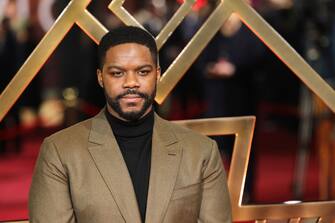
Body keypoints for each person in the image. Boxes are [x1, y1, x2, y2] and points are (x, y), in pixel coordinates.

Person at [29, 26, 232, 223]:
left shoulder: (202, 151)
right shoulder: (60, 151)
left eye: (143, 72)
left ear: (157, 74)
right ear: (100, 77)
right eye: (117, 73)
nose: (131, 82)